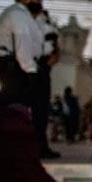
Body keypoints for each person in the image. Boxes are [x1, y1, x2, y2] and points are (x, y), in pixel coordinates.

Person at [0, 0, 45, 106]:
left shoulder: (20, 13)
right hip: (14, 69)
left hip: (13, 67)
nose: (39, 1)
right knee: (14, 107)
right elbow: (23, 46)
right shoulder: (18, 14)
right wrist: (32, 72)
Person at [33, 9, 61, 158]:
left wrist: (54, 54)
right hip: (31, 65)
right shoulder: (26, 22)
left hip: (41, 66)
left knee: (41, 111)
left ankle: (40, 145)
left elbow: (54, 45)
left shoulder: (47, 27)